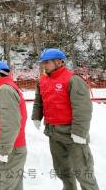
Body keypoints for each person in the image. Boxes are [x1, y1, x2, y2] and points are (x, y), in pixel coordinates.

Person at [31, 48, 99, 190]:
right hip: (53, 133)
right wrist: (36, 116)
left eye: (47, 62)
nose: (44, 65)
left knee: (83, 171)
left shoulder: (72, 79)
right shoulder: (42, 80)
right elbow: (39, 100)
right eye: (43, 62)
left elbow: (83, 108)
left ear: (59, 62)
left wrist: (80, 132)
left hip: (72, 134)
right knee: (62, 170)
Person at [0, 61, 27, 190]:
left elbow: (12, 123)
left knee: (1, 185)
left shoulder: (4, 90)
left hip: (8, 150)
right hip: (10, 147)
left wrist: (3, 150)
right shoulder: (4, 88)